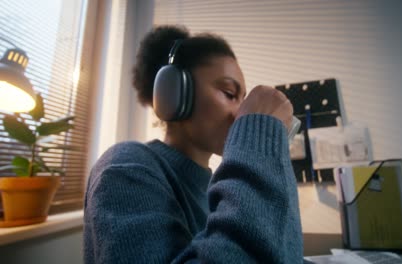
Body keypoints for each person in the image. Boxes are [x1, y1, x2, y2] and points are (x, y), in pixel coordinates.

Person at [84, 25, 303, 263]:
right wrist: (259, 135)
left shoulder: (217, 189)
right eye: (230, 93)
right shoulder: (126, 165)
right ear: (174, 93)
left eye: (243, 99)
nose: (241, 112)